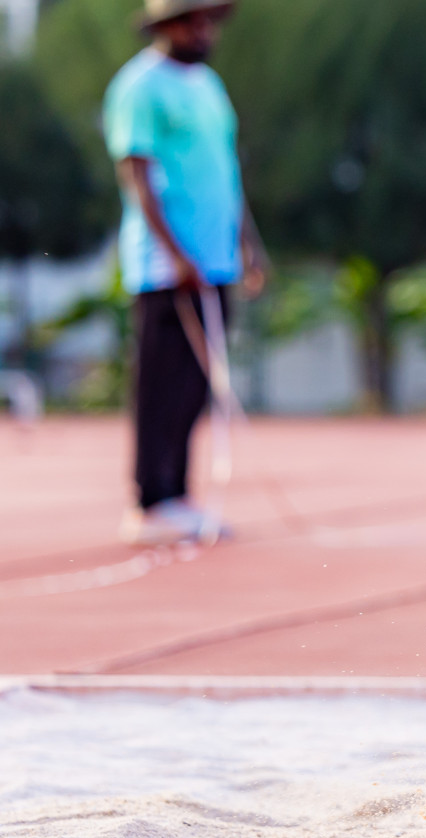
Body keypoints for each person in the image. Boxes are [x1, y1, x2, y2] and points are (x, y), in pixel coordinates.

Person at [104, 0, 266, 545]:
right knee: (161, 384)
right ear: (165, 26)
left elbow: (226, 173)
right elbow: (137, 175)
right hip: (167, 269)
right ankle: (149, 500)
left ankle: (178, 494)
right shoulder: (139, 88)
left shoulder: (208, 87)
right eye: (192, 22)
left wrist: (248, 244)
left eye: (207, 22)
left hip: (215, 260)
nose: (204, 32)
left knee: (197, 385)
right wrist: (174, 253)